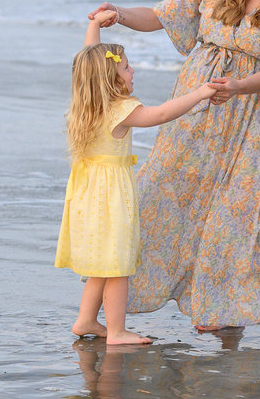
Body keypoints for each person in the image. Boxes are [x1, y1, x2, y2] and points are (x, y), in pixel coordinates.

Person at [89, 0, 260, 346]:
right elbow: (161, 15)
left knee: (241, 207)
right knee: (163, 192)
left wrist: (240, 85)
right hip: (194, 102)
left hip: (250, 114)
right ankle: (112, 310)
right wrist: (120, 14)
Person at [54, 29, 217, 345]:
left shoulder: (85, 103)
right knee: (117, 265)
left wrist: (95, 26)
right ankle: (116, 331)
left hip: (86, 195)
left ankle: (86, 319)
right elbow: (161, 114)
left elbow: (89, 59)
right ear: (112, 79)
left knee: (102, 262)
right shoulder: (120, 109)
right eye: (126, 67)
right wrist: (200, 92)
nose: (133, 71)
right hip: (110, 198)